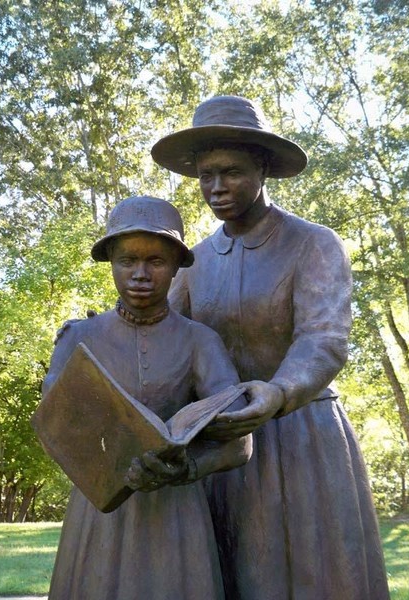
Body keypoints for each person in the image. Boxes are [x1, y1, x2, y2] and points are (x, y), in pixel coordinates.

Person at [151, 96, 390, 599]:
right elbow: (166, 332)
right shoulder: (193, 261)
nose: (216, 188)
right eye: (206, 174)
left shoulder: (313, 243)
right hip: (221, 444)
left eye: (232, 172)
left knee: (307, 576)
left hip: (300, 437)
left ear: (263, 168)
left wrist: (280, 391)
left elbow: (323, 338)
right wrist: (104, 333)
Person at [40, 195, 252, 600]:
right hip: (99, 512)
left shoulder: (200, 342)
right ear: (111, 263)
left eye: (155, 261)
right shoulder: (78, 338)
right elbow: (53, 426)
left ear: (175, 267)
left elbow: (240, 442)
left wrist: (187, 468)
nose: (140, 274)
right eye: (127, 261)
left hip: (177, 513)